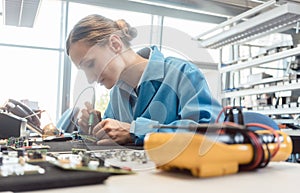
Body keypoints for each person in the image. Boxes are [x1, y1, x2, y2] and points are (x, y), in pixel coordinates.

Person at [66, 14, 223, 146]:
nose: (90, 78)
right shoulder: (117, 93)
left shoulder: (182, 73)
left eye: (90, 64)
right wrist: (96, 127)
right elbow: (113, 136)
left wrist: (136, 131)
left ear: (115, 44)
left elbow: (209, 132)